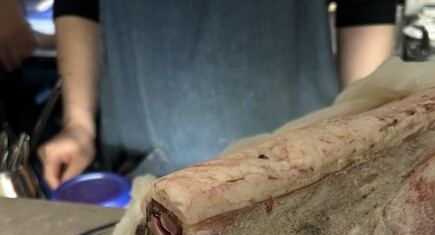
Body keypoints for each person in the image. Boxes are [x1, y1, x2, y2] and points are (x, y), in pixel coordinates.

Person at [39, 0, 397, 189]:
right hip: (147, 163)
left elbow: (365, 6)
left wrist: (361, 124)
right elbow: (80, 3)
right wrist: (78, 124)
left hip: (303, 153)